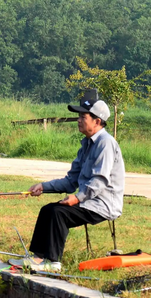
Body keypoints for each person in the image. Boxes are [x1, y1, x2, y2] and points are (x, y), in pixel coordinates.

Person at [9, 98, 125, 272]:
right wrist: (43, 186)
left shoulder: (105, 143)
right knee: (47, 210)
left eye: (83, 116)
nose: (78, 120)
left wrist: (77, 198)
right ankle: (37, 258)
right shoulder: (86, 144)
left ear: (97, 121)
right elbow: (71, 180)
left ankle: (53, 263)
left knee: (58, 213)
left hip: (102, 204)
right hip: (88, 200)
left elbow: (99, 181)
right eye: (78, 116)